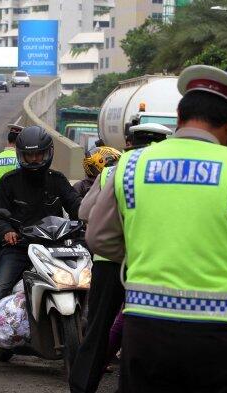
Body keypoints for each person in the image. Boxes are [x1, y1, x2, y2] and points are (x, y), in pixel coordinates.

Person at [85, 65, 227, 393]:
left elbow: (99, 238)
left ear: (179, 116)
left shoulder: (131, 166)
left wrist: (146, 249)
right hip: (223, 338)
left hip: (146, 331)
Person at [0, 125, 82, 377]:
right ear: (21, 156)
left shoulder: (58, 181)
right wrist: (6, 230)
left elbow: (75, 206)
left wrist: (85, 219)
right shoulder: (9, 182)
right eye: (29, 156)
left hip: (53, 246)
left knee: (84, 283)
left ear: (47, 153)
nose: (35, 160)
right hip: (19, 247)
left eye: (38, 155)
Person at [69, 125, 170, 393]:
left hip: (108, 261)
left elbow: (85, 211)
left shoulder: (114, 170)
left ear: (127, 142)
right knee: (144, 326)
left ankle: (82, 386)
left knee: (98, 328)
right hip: (149, 262)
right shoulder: (167, 175)